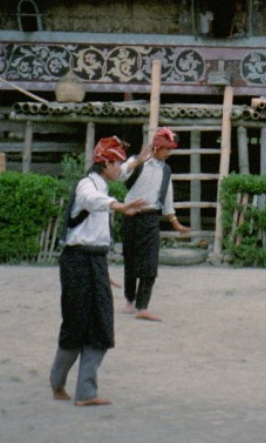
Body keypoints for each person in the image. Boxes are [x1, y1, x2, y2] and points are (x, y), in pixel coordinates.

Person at [49, 136, 148, 406]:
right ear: (105, 164)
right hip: (76, 261)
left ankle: (86, 392)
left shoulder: (103, 182)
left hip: (95, 260)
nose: (119, 169)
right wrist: (120, 206)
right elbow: (92, 201)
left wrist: (137, 160)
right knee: (76, 323)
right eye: (115, 163)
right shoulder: (87, 186)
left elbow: (125, 169)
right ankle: (57, 382)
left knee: (102, 325)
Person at [120, 126, 190, 321]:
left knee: (150, 263)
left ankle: (143, 306)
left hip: (150, 218)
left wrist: (175, 223)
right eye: (167, 149)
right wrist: (137, 162)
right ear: (158, 148)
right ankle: (129, 300)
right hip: (131, 216)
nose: (169, 153)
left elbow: (167, 198)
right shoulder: (138, 161)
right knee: (131, 261)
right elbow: (120, 174)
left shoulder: (166, 170)